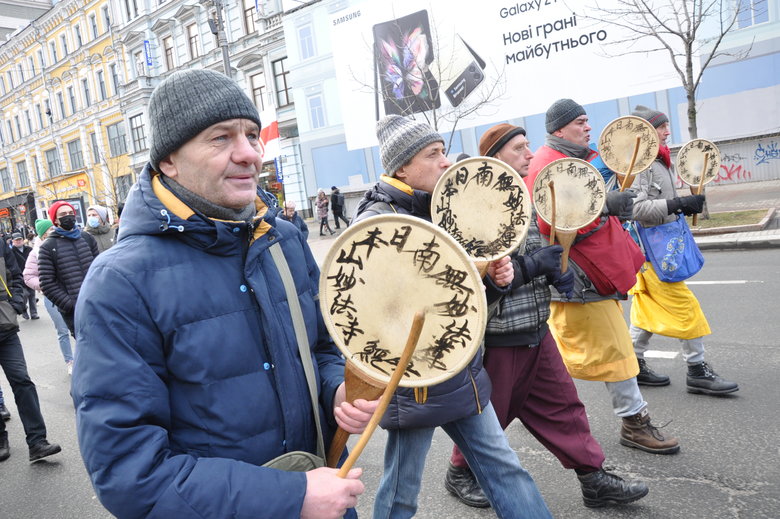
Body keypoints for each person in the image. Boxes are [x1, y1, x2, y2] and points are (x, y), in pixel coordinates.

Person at [70, 68, 377, 519]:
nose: (249, 154)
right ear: (169, 161)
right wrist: (289, 498)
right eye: (220, 138)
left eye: (252, 135)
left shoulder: (284, 241)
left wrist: (335, 392)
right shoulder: (120, 281)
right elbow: (129, 472)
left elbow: (323, 348)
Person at [354, 114, 552, 519]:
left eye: (443, 151)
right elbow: (379, 315)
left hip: (460, 368)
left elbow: (471, 307)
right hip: (415, 378)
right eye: (433, 154)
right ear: (403, 167)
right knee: (401, 491)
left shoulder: (443, 210)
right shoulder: (377, 223)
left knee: (503, 470)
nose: (446, 162)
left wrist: (495, 279)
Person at [444, 123, 649, 509]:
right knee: (491, 416)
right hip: (502, 333)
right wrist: (534, 266)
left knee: (565, 408)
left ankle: (594, 479)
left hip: (537, 326)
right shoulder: (478, 207)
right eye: (519, 148)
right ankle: (459, 472)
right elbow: (478, 276)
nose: (528, 154)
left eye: (527, 146)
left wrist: (555, 270)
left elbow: (541, 250)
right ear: (495, 157)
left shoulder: (525, 195)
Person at [527, 99, 680, 455]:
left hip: (595, 269)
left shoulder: (580, 160)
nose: (588, 126)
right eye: (580, 122)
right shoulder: (548, 166)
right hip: (581, 275)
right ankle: (634, 422)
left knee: (563, 354)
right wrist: (605, 206)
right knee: (616, 350)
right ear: (559, 129)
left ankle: (526, 407)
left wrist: (610, 204)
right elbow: (554, 228)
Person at [626, 105, 739, 395]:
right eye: (661, 127)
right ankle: (697, 370)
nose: (667, 131)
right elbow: (635, 209)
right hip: (653, 255)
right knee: (687, 309)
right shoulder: (641, 164)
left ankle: (634, 365)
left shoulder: (656, 161)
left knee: (646, 313)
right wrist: (677, 206)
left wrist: (683, 205)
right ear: (647, 132)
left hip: (651, 253)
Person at [0, 241, 62, 463]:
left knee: (22, 381)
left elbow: (15, 274)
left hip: (4, 328)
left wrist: (16, 302)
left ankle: (37, 442)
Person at [38, 201, 99, 337]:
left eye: (71, 213)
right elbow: (47, 283)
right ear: (55, 220)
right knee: (88, 349)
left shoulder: (87, 238)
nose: (68, 216)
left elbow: (100, 269)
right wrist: (69, 304)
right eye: (63, 214)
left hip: (97, 304)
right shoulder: (48, 246)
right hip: (75, 312)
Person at [24, 219, 75, 375]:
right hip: (52, 298)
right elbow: (28, 276)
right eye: (50, 228)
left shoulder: (65, 244)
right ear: (43, 233)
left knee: (79, 328)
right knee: (63, 331)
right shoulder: (36, 252)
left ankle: (85, 358)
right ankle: (70, 361)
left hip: (71, 293)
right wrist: (46, 285)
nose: (53, 229)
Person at [10, 233, 37, 320]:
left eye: (20, 239)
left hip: (30, 275)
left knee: (32, 295)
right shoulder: (11, 252)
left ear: (23, 239)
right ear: (13, 241)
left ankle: (34, 313)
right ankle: (24, 310)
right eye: (16, 240)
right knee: (24, 295)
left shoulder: (29, 249)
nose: (18, 241)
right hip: (19, 276)